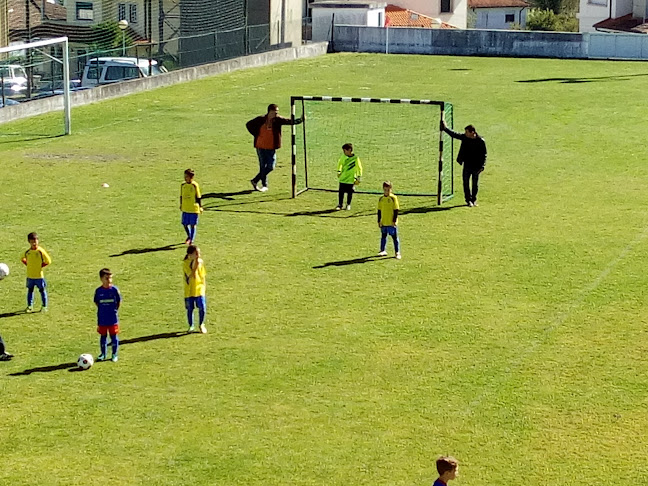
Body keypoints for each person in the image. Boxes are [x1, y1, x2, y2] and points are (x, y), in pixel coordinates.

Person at [246, 103, 304, 192]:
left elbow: (289, 121)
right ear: (269, 112)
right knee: (262, 166)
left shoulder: (278, 120)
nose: (276, 114)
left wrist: (300, 120)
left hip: (271, 147)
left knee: (270, 166)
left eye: (277, 112)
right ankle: (264, 185)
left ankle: (255, 180)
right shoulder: (260, 119)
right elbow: (248, 124)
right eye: (275, 112)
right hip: (260, 146)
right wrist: (256, 134)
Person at [441, 116, 487, 207]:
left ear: (472, 132)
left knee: (475, 184)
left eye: (467, 132)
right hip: (467, 165)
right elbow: (454, 135)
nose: (465, 133)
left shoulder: (481, 141)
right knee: (465, 183)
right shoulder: (465, 138)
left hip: (476, 166)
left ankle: (474, 200)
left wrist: (482, 166)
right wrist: (445, 128)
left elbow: (484, 154)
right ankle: (468, 200)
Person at [94, 268, 121, 362]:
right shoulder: (98, 291)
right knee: (103, 336)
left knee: (114, 336)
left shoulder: (114, 290)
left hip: (113, 318)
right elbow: (96, 302)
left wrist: (113, 311)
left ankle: (114, 354)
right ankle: (103, 354)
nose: (109, 280)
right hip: (102, 318)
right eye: (107, 278)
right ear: (101, 279)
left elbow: (118, 302)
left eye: (110, 278)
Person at [21, 232, 52, 313]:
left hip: (39, 276)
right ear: (29, 242)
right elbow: (22, 258)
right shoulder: (27, 252)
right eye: (32, 242)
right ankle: (30, 306)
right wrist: (28, 265)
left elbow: (48, 261)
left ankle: (44, 306)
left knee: (42, 291)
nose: (34, 243)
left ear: (38, 241)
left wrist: (40, 266)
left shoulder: (40, 251)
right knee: (30, 291)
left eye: (35, 241)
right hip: (30, 276)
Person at [183, 245, 207, 334]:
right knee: (190, 308)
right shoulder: (186, 263)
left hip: (199, 288)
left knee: (202, 307)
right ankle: (191, 325)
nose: (198, 255)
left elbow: (203, 275)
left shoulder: (200, 262)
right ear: (190, 254)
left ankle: (201, 324)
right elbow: (191, 274)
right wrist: (195, 263)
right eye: (196, 253)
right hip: (189, 290)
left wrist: (204, 286)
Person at [377, 181, 401, 260]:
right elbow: (379, 210)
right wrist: (379, 221)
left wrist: (394, 220)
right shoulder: (381, 199)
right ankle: (382, 250)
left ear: (391, 189)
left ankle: (397, 252)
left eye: (388, 190)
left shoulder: (393, 198)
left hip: (391, 222)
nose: (386, 191)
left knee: (394, 237)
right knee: (383, 236)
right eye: (385, 190)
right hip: (384, 222)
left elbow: (396, 210)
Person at [336, 143, 363, 210]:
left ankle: (348, 204)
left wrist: (359, 176)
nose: (344, 152)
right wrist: (339, 171)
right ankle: (340, 204)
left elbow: (359, 168)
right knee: (341, 192)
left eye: (345, 151)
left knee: (350, 192)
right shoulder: (343, 157)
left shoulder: (355, 158)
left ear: (349, 150)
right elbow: (340, 164)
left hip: (351, 179)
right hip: (343, 178)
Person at [180, 168, 203, 245]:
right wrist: (181, 205)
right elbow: (181, 196)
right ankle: (189, 236)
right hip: (185, 208)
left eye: (187, 176)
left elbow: (198, 197)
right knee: (184, 224)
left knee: (193, 225)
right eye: (185, 176)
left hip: (193, 208)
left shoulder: (194, 185)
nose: (185, 178)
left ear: (191, 177)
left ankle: (191, 240)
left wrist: (200, 207)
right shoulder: (183, 185)